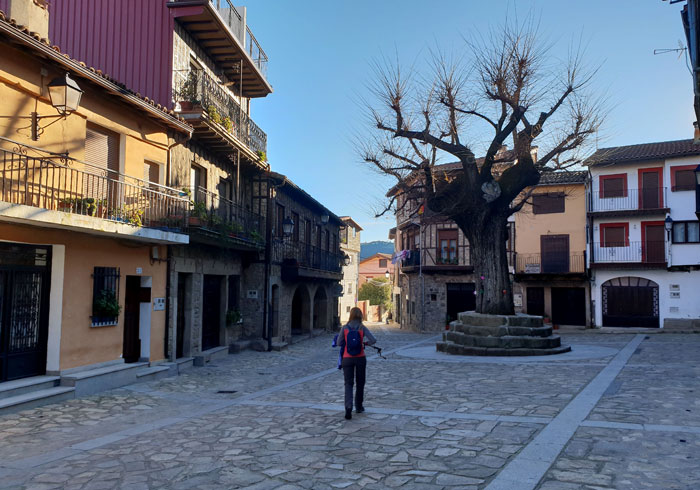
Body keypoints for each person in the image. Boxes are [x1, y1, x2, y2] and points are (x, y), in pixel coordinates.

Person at [338, 307, 377, 420]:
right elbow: (373, 340)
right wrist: (365, 343)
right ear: (360, 315)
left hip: (347, 358)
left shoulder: (345, 328)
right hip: (360, 357)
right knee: (360, 382)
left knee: (348, 383)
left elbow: (340, 342)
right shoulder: (362, 327)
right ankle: (359, 406)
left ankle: (348, 408)